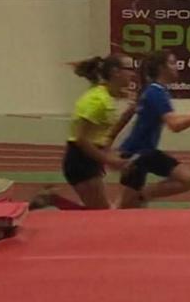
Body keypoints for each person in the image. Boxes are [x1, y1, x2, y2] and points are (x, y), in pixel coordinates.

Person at [32, 55, 137, 210]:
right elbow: (81, 139)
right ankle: (53, 199)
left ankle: (53, 199)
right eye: (129, 69)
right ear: (115, 72)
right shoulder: (96, 100)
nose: (133, 74)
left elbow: (103, 135)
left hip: (90, 158)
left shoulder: (106, 97)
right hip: (81, 160)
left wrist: (129, 112)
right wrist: (109, 160)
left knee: (99, 213)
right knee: (101, 215)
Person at [116, 50, 190, 208]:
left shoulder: (156, 91)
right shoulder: (155, 93)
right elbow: (175, 125)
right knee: (185, 179)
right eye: (172, 63)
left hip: (144, 152)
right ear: (162, 68)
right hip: (137, 154)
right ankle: (138, 198)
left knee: (128, 206)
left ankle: (139, 197)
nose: (177, 67)